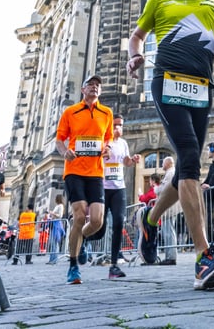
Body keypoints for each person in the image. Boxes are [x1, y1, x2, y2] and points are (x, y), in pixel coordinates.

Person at [126, 0, 214, 290]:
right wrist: (135, 57)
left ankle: (150, 218)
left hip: (202, 88)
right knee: (188, 157)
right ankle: (203, 259)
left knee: (189, 167)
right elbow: (136, 36)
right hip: (168, 82)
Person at [55, 74, 114, 284]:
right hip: (74, 170)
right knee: (79, 217)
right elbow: (60, 139)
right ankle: (73, 266)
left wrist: (107, 149)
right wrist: (64, 152)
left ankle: (82, 241)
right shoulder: (71, 112)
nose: (95, 88)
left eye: (98, 85)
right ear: (83, 89)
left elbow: (107, 139)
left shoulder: (107, 113)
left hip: (96, 172)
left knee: (97, 221)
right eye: (91, 84)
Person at [102, 114, 142, 279]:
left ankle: (114, 265)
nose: (119, 128)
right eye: (116, 125)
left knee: (119, 222)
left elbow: (125, 162)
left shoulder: (124, 143)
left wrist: (132, 160)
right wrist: (106, 149)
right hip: (103, 187)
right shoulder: (104, 140)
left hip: (119, 187)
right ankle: (83, 246)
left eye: (121, 125)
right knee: (99, 226)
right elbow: (101, 157)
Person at [157, 156, 178, 265]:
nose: (162, 165)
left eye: (163, 163)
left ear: (169, 163)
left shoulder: (170, 173)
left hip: (169, 208)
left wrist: (156, 189)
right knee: (167, 232)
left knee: (169, 232)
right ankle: (169, 256)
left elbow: (164, 189)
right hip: (168, 207)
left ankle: (171, 257)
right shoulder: (171, 172)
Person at [46, 195, 65, 264]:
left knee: (54, 242)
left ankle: (54, 259)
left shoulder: (60, 206)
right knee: (52, 242)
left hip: (57, 224)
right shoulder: (57, 206)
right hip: (53, 224)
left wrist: (52, 213)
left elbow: (60, 215)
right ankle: (51, 259)